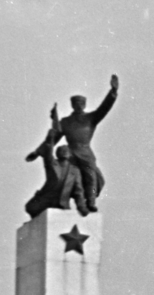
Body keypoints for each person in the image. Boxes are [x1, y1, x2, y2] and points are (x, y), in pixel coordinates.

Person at [27, 74, 118, 213]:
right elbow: (53, 136)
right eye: (76, 103)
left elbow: (104, 108)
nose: (79, 106)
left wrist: (112, 93)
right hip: (70, 153)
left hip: (85, 152)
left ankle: (91, 201)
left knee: (91, 177)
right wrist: (37, 152)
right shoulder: (65, 122)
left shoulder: (91, 118)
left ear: (85, 104)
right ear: (72, 105)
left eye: (81, 103)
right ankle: (64, 201)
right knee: (67, 176)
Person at [24, 107, 88, 218]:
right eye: (61, 150)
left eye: (65, 150)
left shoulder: (75, 170)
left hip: (61, 203)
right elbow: (48, 152)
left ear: (70, 155)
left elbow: (78, 191)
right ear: (57, 154)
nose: (63, 152)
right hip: (46, 199)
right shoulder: (52, 163)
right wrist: (51, 138)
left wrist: (81, 206)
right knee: (30, 208)